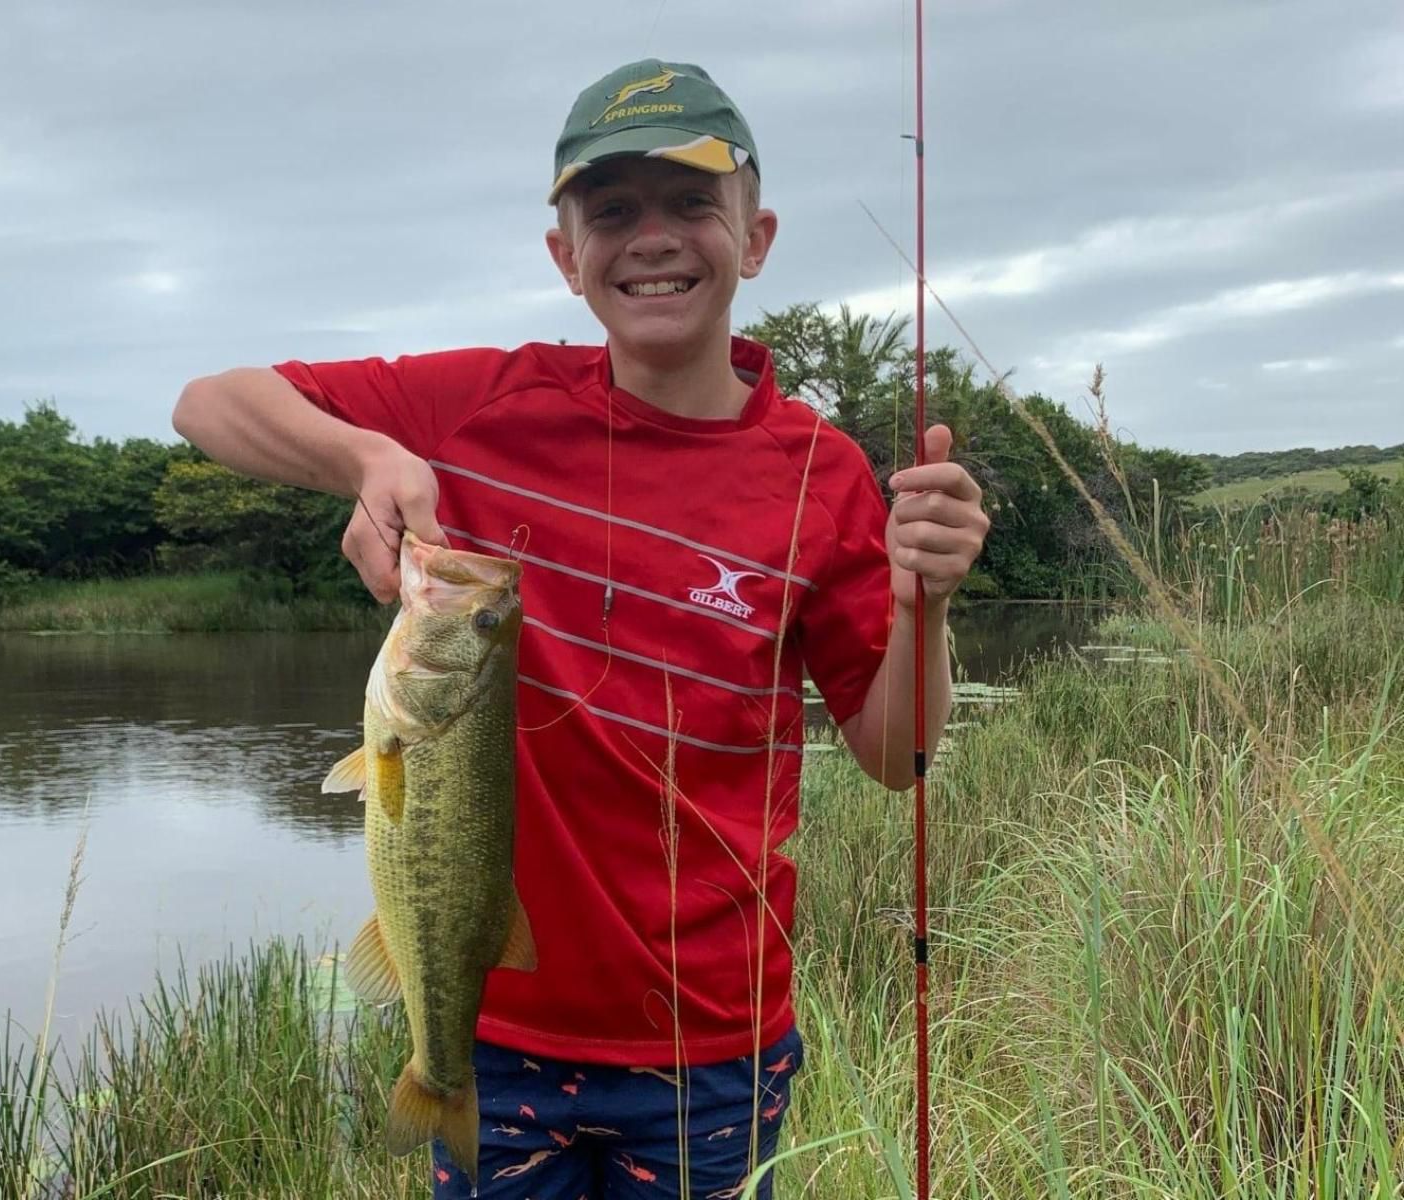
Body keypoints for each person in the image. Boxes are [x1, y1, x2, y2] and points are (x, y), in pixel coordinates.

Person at [173, 57, 989, 1200]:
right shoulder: (479, 405)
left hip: (715, 1040)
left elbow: (894, 758)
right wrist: (363, 457)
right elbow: (208, 403)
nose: (651, 237)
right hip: (493, 1030)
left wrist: (927, 601)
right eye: (612, 211)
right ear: (565, 256)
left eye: (692, 203)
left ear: (754, 238)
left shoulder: (823, 474)